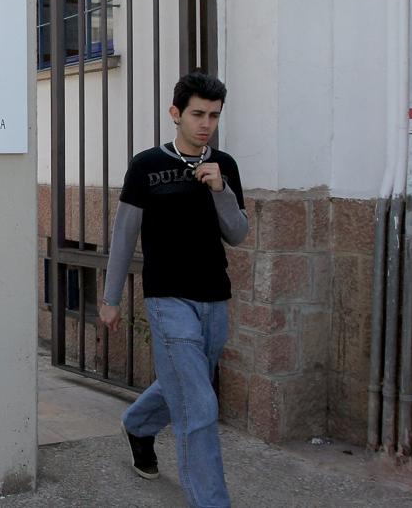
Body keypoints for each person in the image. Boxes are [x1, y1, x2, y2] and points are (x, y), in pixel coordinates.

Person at [100, 72, 248, 508]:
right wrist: (110, 299)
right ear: (176, 114)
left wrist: (220, 190)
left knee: (186, 383)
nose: (206, 124)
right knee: (199, 405)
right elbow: (125, 235)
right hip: (167, 298)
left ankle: (139, 424)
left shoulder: (225, 166)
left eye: (214, 116)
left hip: (214, 297)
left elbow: (238, 234)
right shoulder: (146, 165)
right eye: (198, 114)